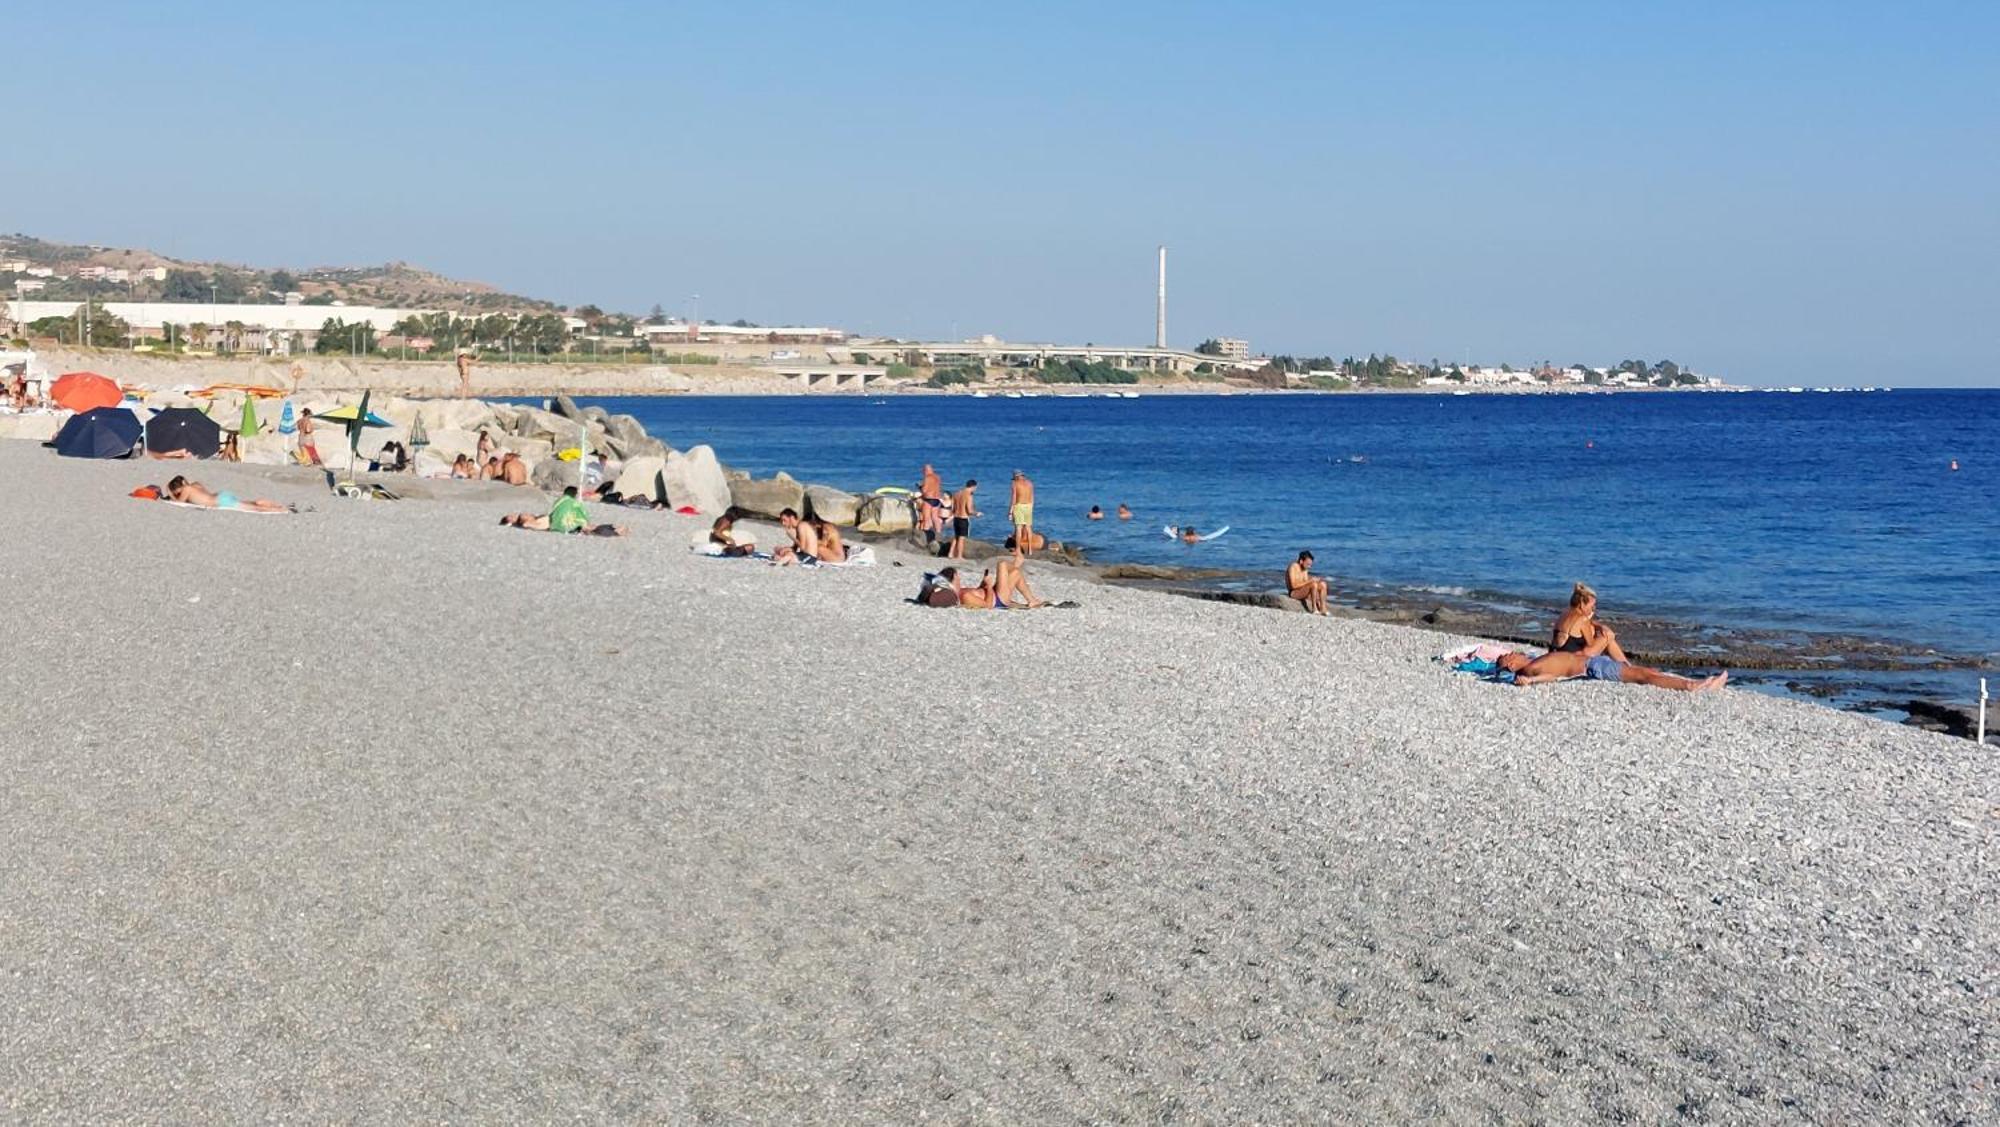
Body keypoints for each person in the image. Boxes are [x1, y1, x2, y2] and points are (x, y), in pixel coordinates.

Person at [1496, 647, 1726, 692]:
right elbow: (1552, 677)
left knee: (1645, 671)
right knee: (1644, 676)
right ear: (1512, 665)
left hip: (1594, 665)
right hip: (1593, 668)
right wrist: (1530, 682)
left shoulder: (1534, 662)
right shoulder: (1532, 669)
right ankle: (1691, 685)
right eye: (1509, 655)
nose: (1513, 652)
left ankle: (1695, 682)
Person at [1551, 582, 1631, 664]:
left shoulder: (1565, 613)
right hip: (1573, 661)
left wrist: (1599, 626)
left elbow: (1580, 626)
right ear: (1582, 604)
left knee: (1601, 634)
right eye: (1592, 606)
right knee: (1608, 634)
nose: (1593, 609)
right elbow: (1591, 644)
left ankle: (1625, 664)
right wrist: (1600, 633)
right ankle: (1626, 665)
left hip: (1558, 655)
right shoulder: (1582, 619)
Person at [164, 475, 292, 513]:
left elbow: (180, 502)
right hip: (221, 495)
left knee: (254, 508)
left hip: (219, 501)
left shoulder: (186, 489)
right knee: (251, 503)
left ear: (177, 489)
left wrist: (170, 493)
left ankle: (282, 509)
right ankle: (277, 505)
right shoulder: (195, 484)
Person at [995, 535, 1045, 608]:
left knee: (1014, 571)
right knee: (1012, 569)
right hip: (999, 598)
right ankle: (1032, 600)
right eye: (1011, 551)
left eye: (1011, 550)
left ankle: (1032, 600)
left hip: (998, 596)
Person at [1286, 550, 1330, 615]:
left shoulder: (1305, 569)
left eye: (1310, 565)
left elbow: (1306, 582)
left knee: (1323, 584)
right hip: (1294, 592)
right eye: (1308, 564)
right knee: (1313, 584)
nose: (1309, 567)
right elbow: (1293, 586)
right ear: (1301, 561)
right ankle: (1314, 609)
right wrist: (1310, 581)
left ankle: (1323, 608)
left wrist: (1315, 581)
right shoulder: (1293, 567)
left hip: (1302, 590)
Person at [948, 479, 979, 560]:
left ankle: (950, 553)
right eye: (975, 488)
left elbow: (953, 508)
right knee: (961, 538)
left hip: (956, 518)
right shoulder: (969, 495)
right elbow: (969, 510)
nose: (975, 489)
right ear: (973, 486)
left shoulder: (957, 493)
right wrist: (976, 513)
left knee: (956, 537)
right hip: (963, 518)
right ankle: (959, 556)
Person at [918, 462, 945, 547]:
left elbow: (925, 491)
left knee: (926, 519)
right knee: (935, 519)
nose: (923, 472)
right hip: (936, 500)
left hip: (928, 500)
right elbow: (937, 488)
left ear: (926, 470)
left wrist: (920, 487)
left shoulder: (927, 478)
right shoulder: (937, 477)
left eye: (923, 471)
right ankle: (939, 537)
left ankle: (926, 539)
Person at [1010, 470, 1035, 555]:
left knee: (1019, 528)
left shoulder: (1015, 484)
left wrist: (1010, 511)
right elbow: (1032, 497)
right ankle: (1030, 550)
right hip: (1028, 506)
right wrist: (1031, 507)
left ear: (1016, 477)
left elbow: (1014, 498)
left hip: (1019, 506)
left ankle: (1018, 550)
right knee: (1028, 528)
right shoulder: (1030, 483)